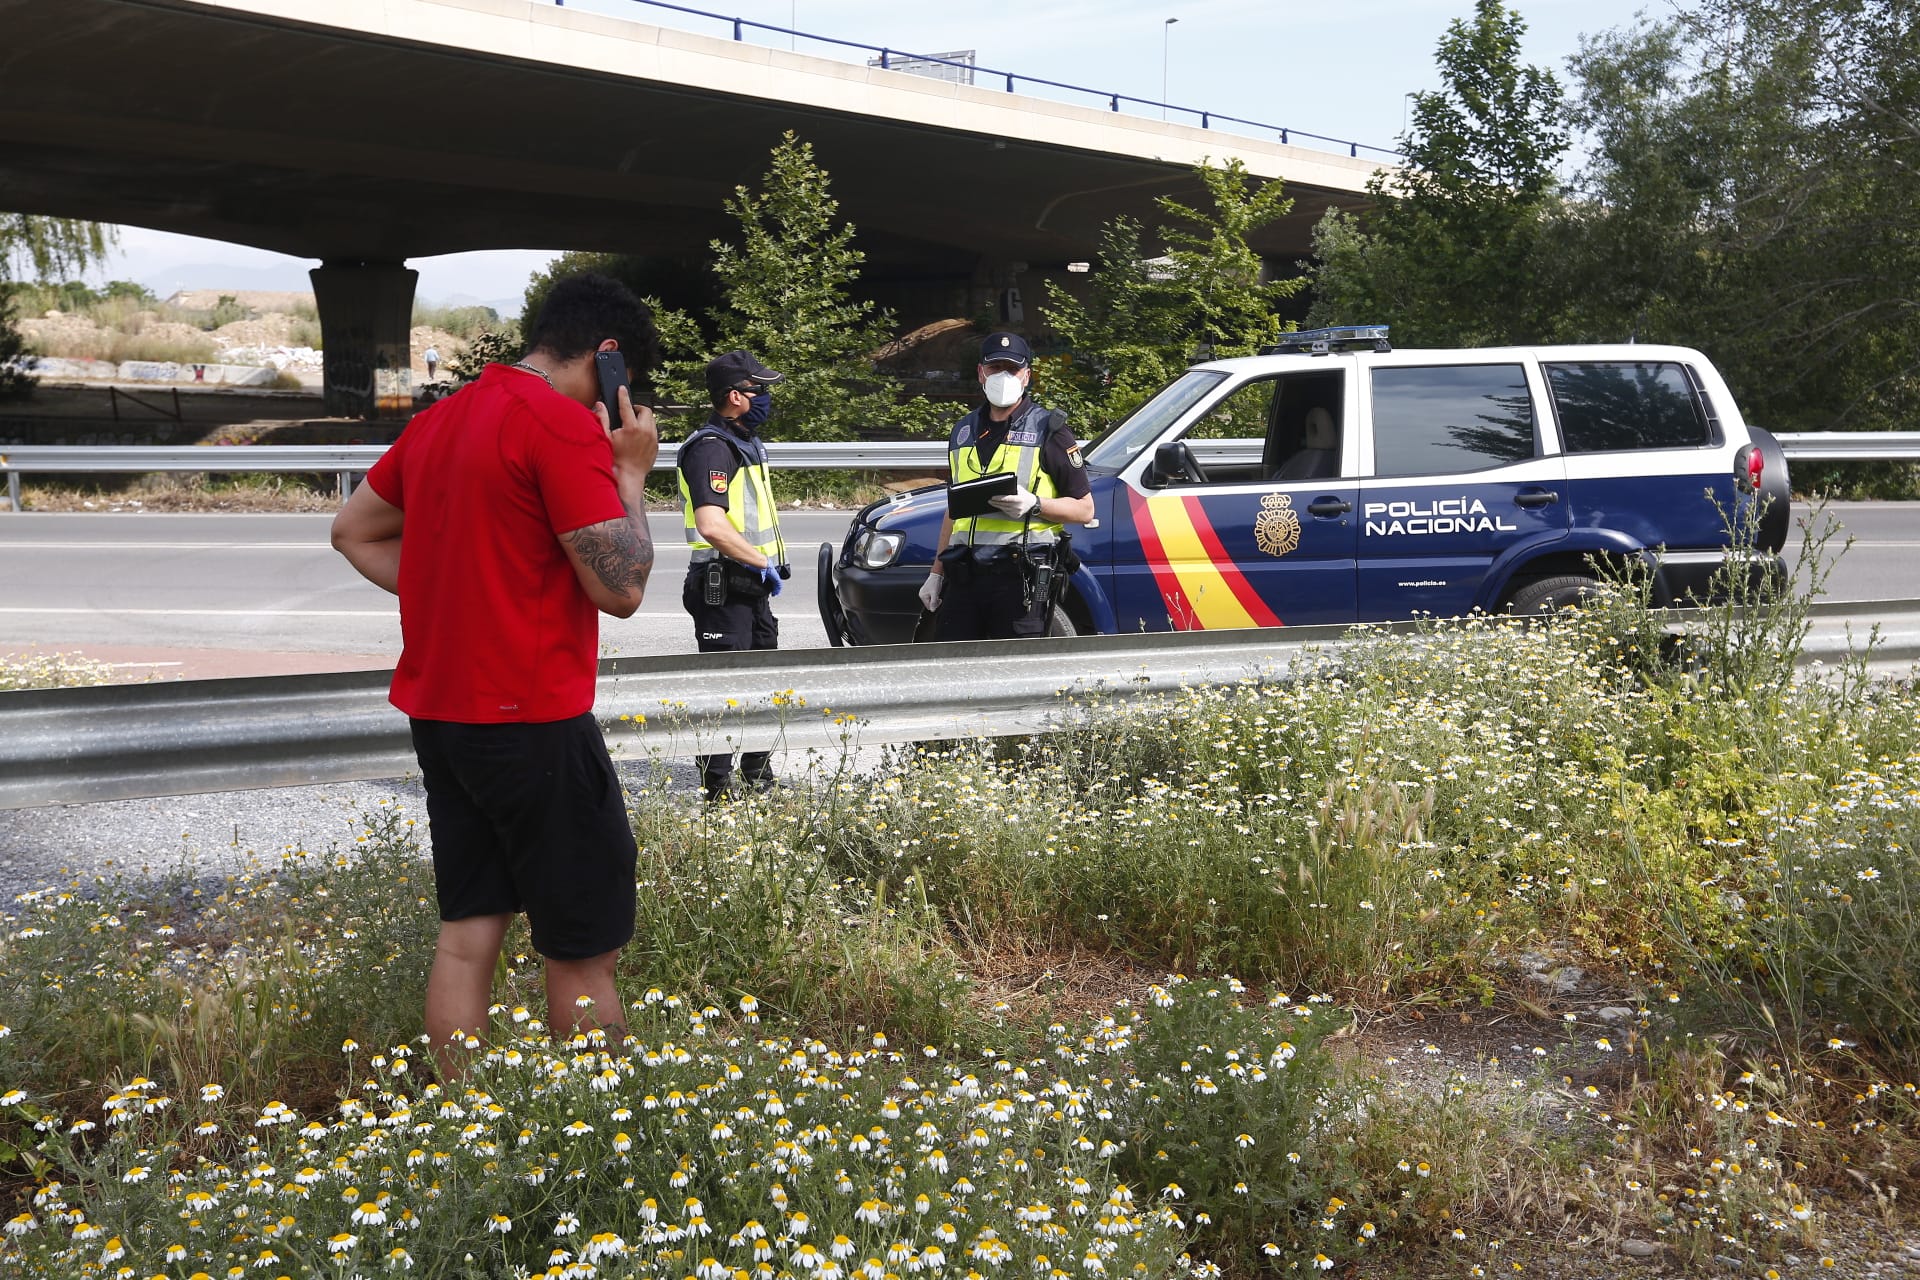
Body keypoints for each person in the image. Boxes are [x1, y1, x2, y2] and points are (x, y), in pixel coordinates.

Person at [330, 273, 660, 1078]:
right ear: (608, 356)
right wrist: (632, 475)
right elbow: (621, 589)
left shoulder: (444, 419)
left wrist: (463, 588)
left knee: (468, 933)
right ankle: (593, 1129)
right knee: (583, 947)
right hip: (533, 723)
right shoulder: (557, 426)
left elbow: (354, 532)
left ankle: (463, 1118)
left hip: (443, 718)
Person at [918, 332, 1094, 639]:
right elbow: (954, 509)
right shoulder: (963, 431)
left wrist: (1036, 504)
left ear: (1026, 376)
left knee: (1012, 672)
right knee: (953, 667)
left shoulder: (1049, 430)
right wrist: (936, 573)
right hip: (965, 577)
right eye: (995, 367)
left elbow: (1084, 509)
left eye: (1011, 369)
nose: (1003, 375)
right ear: (980, 373)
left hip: (1018, 578)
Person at [677, 349, 788, 801]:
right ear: (736, 396)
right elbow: (711, 524)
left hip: (750, 589)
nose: (766, 397)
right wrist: (762, 563)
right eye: (760, 389)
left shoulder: (742, 442)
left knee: (763, 687)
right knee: (725, 692)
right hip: (722, 587)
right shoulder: (711, 448)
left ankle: (758, 780)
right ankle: (717, 793)